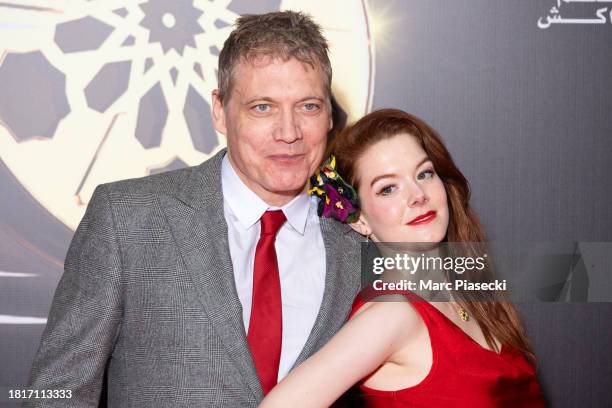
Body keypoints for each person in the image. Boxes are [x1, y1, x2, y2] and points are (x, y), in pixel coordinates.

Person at [25, 11, 362, 407]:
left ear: (329, 116)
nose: (288, 133)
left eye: (308, 107)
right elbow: (56, 393)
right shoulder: (127, 218)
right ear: (220, 110)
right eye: (262, 108)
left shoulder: (359, 240)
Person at [260, 109, 546, 407]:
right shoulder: (392, 315)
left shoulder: (467, 288)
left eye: (424, 173)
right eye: (388, 188)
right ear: (359, 220)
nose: (418, 195)